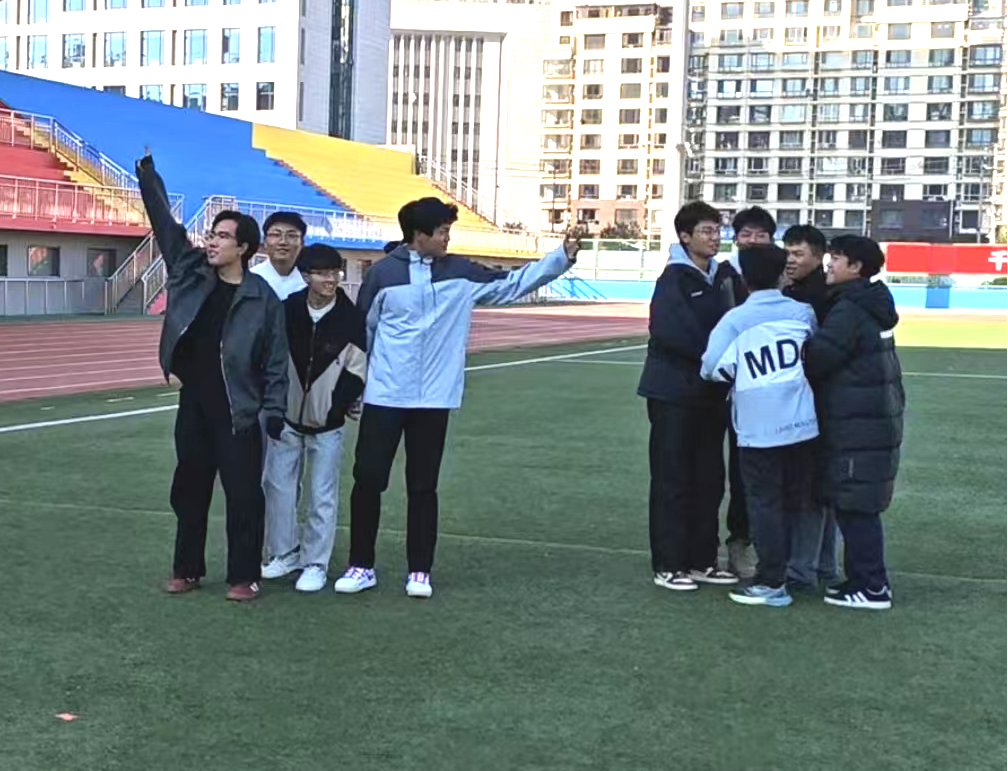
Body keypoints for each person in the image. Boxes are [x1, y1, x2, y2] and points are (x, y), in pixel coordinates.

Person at [332, 197, 580, 599]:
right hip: (385, 394)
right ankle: (361, 565)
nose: (448, 238)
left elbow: (512, 285)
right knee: (369, 480)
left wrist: (560, 258)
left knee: (423, 485)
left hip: (434, 397)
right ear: (419, 235)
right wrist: (356, 389)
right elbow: (366, 334)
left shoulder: (461, 272)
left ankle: (420, 570)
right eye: (442, 231)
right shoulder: (382, 275)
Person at [136, 152, 288, 602]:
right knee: (189, 490)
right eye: (211, 233)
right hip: (195, 405)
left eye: (223, 236)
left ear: (244, 248)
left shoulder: (262, 297)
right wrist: (149, 178)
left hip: (239, 411)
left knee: (243, 497)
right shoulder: (190, 273)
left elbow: (276, 361)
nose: (212, 241)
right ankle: (186, 569)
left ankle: (244, 576)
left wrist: (274, 411)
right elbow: (166, 227)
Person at [700, 245, 819, 608]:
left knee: (765, 504)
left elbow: (710, 367)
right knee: (798, 500)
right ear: (782, 274)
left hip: (758, 426)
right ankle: (801, 571)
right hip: (802, 421)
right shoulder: (802, 312)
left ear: (743, 278)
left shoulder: (735, 319)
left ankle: (771, 580)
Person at [638, 201, 746, 592]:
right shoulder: (673, 279)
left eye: (718, 230)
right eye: (706, 231)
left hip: (712, 394)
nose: (715, 238)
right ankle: (669, 564)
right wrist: (716, 356)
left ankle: (703, 560)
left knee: (709, 479)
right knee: (673, 478)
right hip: (673, 392)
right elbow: (669, 333)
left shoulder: (725, 276)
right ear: (685, 237)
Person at [804, 235, 904, 610]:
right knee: (858, 503)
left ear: (856, 267)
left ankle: (872, 587)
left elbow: (820, 358)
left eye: (836, 258)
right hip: (873, 419)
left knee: (856, 506)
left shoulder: (849, 309)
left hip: (857, 423)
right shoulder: (871, 302)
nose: (829, 264)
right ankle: (863, 580)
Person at [261, 244, 368, 592]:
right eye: (322, 273)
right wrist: (275, 406)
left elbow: (357, 368)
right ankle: (284, 553)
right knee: (278, 487)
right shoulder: (288, 309)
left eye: (335, 273)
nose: (330, 279)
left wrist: (337, 407)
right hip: (287, 418)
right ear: (306, 276)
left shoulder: (351, 318)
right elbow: (272, 359)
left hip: (328, 424)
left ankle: (315, 564)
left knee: (322, 494)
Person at [781, 223, 838, 592]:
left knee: (807, 490)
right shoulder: (799, 290)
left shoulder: (818, 298)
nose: (790, 259)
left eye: (798, 253)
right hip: (813, 402)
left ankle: (801, 570)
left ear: (819, 257)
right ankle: (823, 568)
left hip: (812, 403)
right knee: (820, 491)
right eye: (787, 252)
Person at [722, 206, 777, 577]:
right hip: (730, 389)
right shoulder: (723, 275)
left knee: (768, 473)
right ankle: (735, 542)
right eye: (746, 234)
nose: (753, 240)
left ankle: (763, 545)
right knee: (734, 471)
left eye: (761, 234)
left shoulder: (781, 275)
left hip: (774, 390)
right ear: (736, 238)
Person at [252, 212, 308, 300]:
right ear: (265, 242)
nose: (283, 242)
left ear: (302, 243)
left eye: (291, 235)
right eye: (276, 235)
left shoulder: (308, 281)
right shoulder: (252, 278)